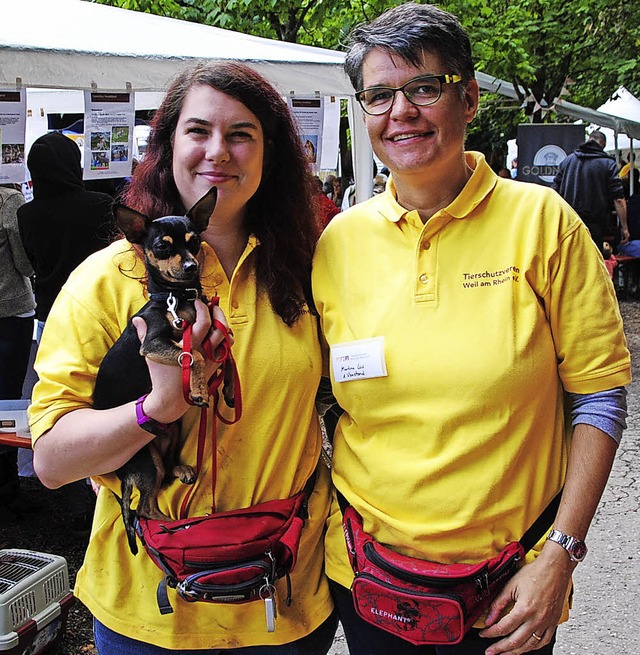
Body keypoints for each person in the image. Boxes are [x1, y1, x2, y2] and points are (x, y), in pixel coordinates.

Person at [312, 4, 631, 655]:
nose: (400, 110)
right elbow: (316, 392)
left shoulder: (543, 223)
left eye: (424, 87)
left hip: (507, 587)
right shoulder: (338, 242)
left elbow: (599, 396)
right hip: (367, 580)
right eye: (378, 95)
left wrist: (561, 554)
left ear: (469, 97)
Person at [28, 61, 336, 653]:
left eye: (242, 134)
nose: (218, 151)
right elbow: (52, 463)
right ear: (168, 144)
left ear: (271, 152)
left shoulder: (311, 271)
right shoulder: (106, 281)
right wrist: (157, 407)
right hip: (148, 607)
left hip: (282, 602)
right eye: (198, 131)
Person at [18, 131, 115, 342]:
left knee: (51, 374)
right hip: (96, 309)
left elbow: (31, 263)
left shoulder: (27, 214)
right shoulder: (101, 204)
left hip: (52, 310)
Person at [0, 184, 36, 525]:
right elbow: (24, 264)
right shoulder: (8, 199)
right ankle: (8, 490)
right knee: (7, 403)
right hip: (9, 310)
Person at [552, 129, 629, 254]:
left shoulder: (567, 161)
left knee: (569, 261)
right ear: (602, 144)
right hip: (595, 225)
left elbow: (553, 192)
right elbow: (619, 199)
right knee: (592, 262)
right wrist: (624, 227)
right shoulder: (608, 164)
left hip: (569, 222)